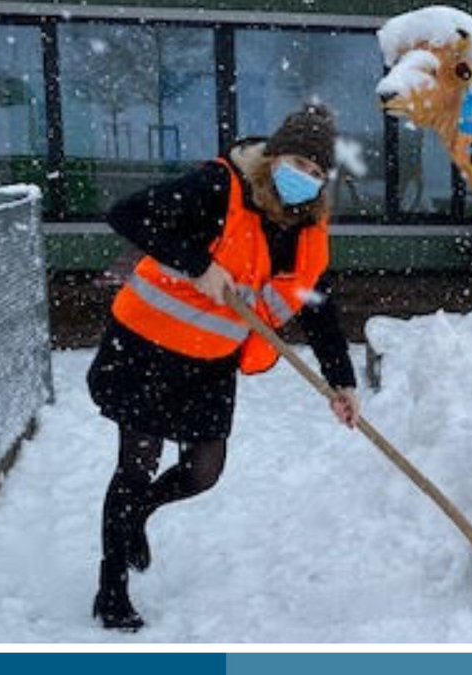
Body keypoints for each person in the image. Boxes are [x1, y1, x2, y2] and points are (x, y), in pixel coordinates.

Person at [86, 105, 360, 631]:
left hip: (209, 363)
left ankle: (139, 512)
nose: (305, 177)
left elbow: (319, 307)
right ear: (276, 155)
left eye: (317, 171)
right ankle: (111, 585)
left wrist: (340, 382)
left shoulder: (306, 230)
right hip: (145, 348)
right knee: (136, 463)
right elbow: (128, 214)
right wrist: (199, 264)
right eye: (298, 161)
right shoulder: (219, 187)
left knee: (203, 471)